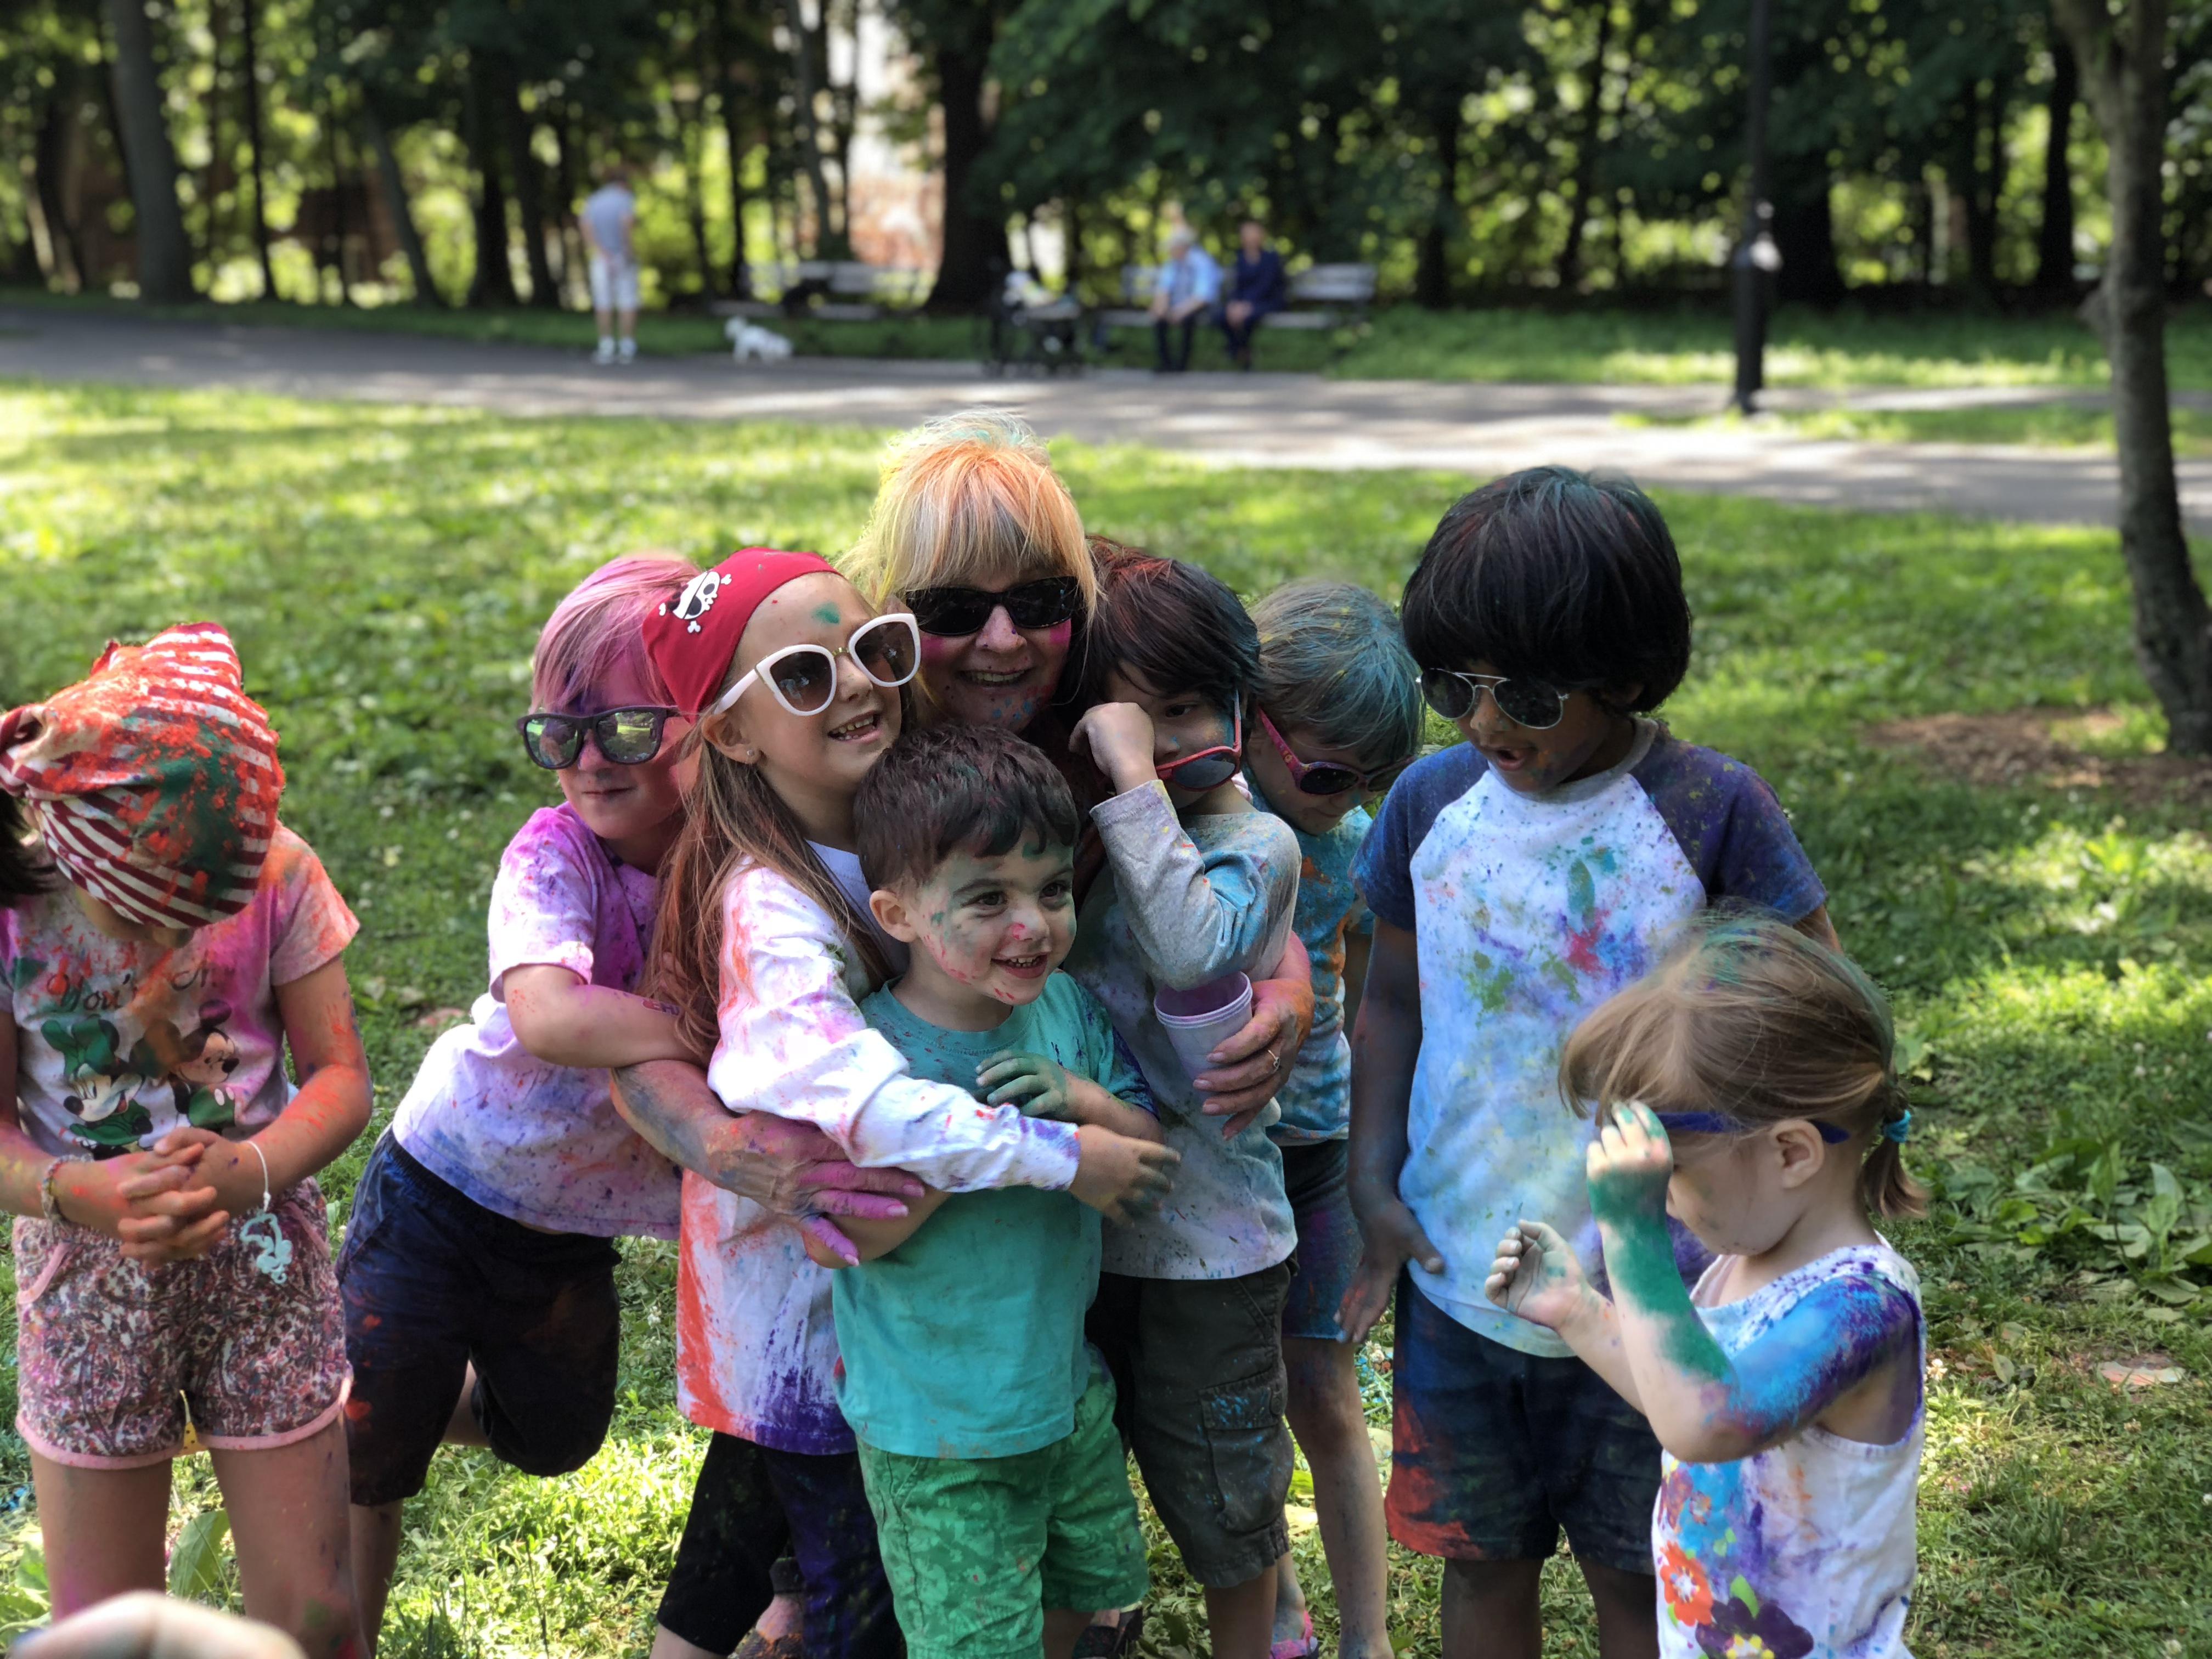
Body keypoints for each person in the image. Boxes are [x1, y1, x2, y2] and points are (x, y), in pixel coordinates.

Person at [637, 549, 1177, 1659]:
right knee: (859, 1590)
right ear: (731, 733)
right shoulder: (768, 906)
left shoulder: (908, 813)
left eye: (873, 648)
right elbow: (874, 1113)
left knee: (818, 1559)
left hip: (947, 1312)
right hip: (814, 1299)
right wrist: (1064, 1151)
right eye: (803, 675)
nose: (854, 683)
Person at [1341, 467, 1837, 1659]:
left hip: (1657, 1284)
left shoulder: (1709, 810)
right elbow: (1390, 997)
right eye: (1454, 686)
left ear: (1623, 672)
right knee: (1481, 1563)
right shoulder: (1428, 803)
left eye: (1525, 693)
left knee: (1641, 1571)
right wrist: (1370, 1180)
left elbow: (1818, 1014)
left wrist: (1797, 1212)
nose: (1485, 722)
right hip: (1465, 1270)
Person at [338, 555, 708, 1649]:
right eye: (560, 734)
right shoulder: (553, 851)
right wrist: (709, 1035)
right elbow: (550, 1016)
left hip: (566, 1233)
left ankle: (393, 1388)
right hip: (442, 1185)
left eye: (626, 728)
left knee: (555, 1438)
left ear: (708, 721)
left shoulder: (740, 866)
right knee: (368, 1455)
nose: (589, 760)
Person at [0, 624, 370, 1658]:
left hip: (265, 1262)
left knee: (316, 1617)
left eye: (198, 920)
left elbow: (341, 1075)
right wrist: (81, 1192)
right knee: (105, 1629)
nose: (171, 948)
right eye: (144, 919)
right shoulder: (14, 913)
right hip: (86, 1282)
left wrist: (253, 1167)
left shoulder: (278, 871)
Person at [816, 723, 1168, 1659]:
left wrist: (1085, 1103)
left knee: (1095, 1592)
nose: (1033, 925)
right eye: (986, 898)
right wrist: (968, 1143)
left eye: (1052, 889)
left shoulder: (1067, 1010)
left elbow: (1146, 1161)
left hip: (1064, 1395)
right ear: (897, 914)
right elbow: (840, 1234)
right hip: (937, 1432)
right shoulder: (864, 1057)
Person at [1485, 913, 1926, 1659]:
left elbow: (1706, 1423)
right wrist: (1581, 1312)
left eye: (1674, 1175)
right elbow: (1681, 1390)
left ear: (1791, 1154)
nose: (1661, 1202)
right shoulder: (1741, 1262)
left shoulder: (1862, 1307)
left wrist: (1631, 1239)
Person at [1064, 544, 1305, 1659]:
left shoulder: (1258, 844)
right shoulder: (1080, 837)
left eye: (1182, 709)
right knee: (1078, 1473)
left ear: (1242, 709)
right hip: (1084, 1228)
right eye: (1129, 713)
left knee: (1226, 1496)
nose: (1156, 740)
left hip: (1213, 1250)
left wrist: (1131, 781)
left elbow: (1189, 948)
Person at [1241, 583, 1423, 1659]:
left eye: (1371, 780)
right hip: (1225, 1161)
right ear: (1249, 719)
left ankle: (1368, 1637)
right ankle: (1275, 1614)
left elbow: (1370, 1003)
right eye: (1324, 773)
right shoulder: (1203, 834)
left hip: (1319, 1155)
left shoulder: (1357, 848)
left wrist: (1375, 1164)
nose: (1346, 800)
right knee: (1238, 1399)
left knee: (1327, 1390)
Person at [581, 162, 641, 366]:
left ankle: (606, 346)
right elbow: (626, 224)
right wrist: (628, 251)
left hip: (601, 258)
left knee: (603, 302)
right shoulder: (625, 199)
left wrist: (599, 251)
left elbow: (586, 226)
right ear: (624, 183)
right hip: (622, 255)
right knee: (627, 301)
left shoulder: (594, 200)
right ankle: (627, 347)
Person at [1150, 228, 1222, 374]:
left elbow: (1202, 296)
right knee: (1160, 320)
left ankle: (1182, 364)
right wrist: (1160, 307)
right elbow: (1164, 288)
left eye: (1172, 247)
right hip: (1178, 306)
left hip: (1201, 306)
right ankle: (1166, 363)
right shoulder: (1172, 263)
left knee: (1188, 320)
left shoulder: (1201, 262)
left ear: (1183, 247)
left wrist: (1180, 312)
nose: (1170, 251)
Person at [1220, 218, 1288, 371]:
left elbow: (1267, 286)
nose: (1250, 237)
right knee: (1222, 316)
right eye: (1246, 234)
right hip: (1245, 303)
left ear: (1261, 236)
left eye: (1253, 233)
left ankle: (1241, 351)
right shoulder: (1240, 258)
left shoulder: (1271, 258)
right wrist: (1234, 304)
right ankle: (1239, 349)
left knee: (1249, 318)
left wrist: (1246, 305)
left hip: (1269, 301)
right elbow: (1237, 286)